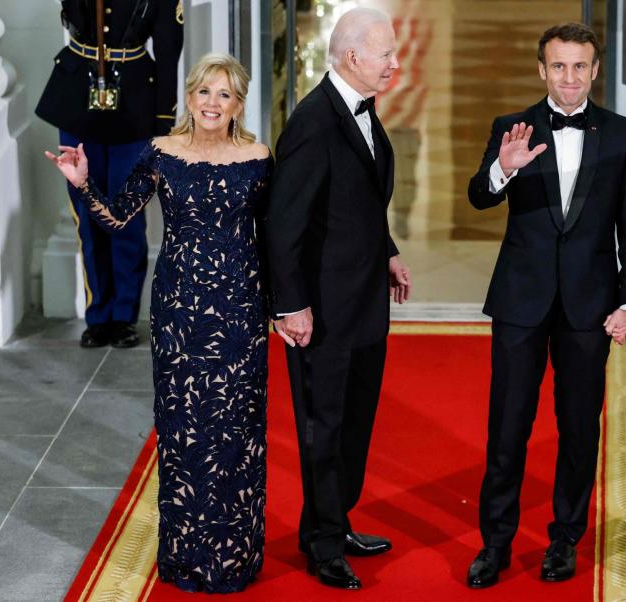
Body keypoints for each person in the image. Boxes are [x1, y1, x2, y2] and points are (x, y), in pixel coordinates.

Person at [45, 54, 273, 594]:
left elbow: (276, 236)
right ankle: (186, 557)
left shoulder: (260, 157)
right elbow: (120, 216)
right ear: (189, 98)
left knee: (236, 431)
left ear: (239, 105)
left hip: (240, 311)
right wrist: (82, 183)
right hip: (179, 315)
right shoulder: (161, 153)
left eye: (225, 94)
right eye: (204, 92)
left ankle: (234, 558)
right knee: (184, 430)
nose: (212, 103)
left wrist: (287, 305)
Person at [465, 22, 626, 588]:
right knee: (507, 428)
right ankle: (494, 544)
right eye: (558, 66)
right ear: (542, 70)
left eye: (580, 66)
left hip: (590, 305)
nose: (569, 77)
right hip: (521, 301)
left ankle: (564, 540)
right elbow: (478, 195)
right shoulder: (511, 128)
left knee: (576, 430)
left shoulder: (621, 134)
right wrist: (505, 168)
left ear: (595, 71)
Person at [266, 7, 412, 591]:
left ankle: (335, 521)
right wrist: (290, 304)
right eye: (386, 55)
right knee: (323, 428)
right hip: (321, 311)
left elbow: (357, 201)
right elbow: (283, 224)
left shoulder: (361, 110)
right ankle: (322, 544)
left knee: (354, 423)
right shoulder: (312, 122)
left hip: (363, 300)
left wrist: (389, 250)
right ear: (353, 57)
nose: (395, 63)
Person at [36, 0, 184, 348]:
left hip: (133, 104)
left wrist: (165, 119)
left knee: (126, 216)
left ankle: (122, 316)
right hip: (78, 99)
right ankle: (98, 314)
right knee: (87, 216)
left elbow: (167, 49)